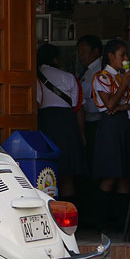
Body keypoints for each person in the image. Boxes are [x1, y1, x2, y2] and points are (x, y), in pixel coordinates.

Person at [91, 38, 130, 233]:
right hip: (110, 127)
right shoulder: (102, 77)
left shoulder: (124, 77)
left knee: (125, 175)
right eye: (122, 55)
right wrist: (124, 84)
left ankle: (124, 223)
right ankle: (99, 221)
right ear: (111, 57)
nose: (126, 58)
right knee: (111, 174)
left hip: (127, 124)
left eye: (126, 55)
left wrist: (122, 106)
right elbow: (109, 105)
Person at [36, 43, 86, 205]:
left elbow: (34, 104)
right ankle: (69, 215)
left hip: (45, 122)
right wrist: (82, 135)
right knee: (67, 174)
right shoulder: (69, 77)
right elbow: (78, 108)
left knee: (46, 171)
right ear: (56, 59)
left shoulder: (33, 77)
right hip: (68, 124)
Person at [76, 34, 103, 224]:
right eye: (79, 52)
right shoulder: (86, 71)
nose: (80, 56)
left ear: (96, 51)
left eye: (84, 52)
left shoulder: (99, 72)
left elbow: (94, 105)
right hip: (89, 122)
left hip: (97, 124)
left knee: (97, 168)